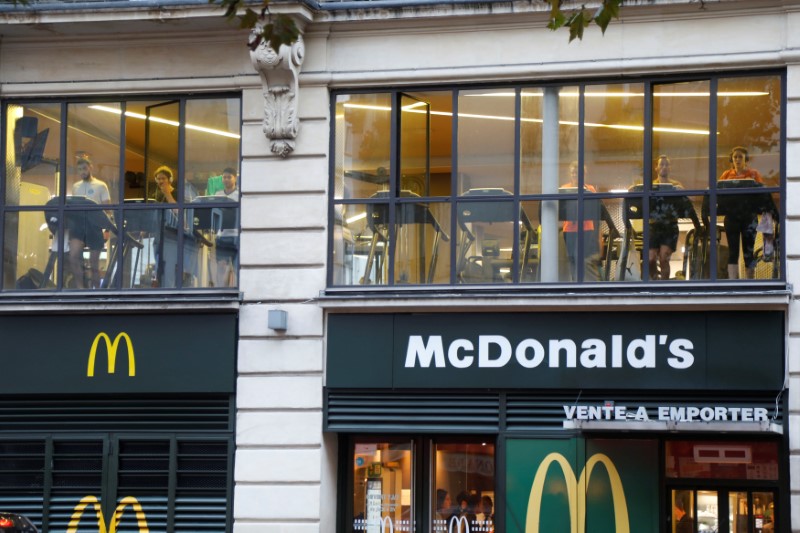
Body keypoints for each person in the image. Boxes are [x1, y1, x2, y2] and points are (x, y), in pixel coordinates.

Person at [718, 146, 764, 279]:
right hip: (732, 217)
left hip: (749, 217)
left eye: (740, 157)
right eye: (735, 157)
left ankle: (749, 281)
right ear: (732, 159)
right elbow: (719, 192)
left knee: (748, 251)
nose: (737, 159)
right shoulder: (726, 175)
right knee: (733, 251)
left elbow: (761, 193)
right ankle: (733, 281)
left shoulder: (754, 174)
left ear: (746, 159)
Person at [647, 155, 694, 280]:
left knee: (664, 257)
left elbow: (686, 201)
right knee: (650, 258)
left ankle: (664, 285)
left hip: (670, 226)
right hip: (654, 225)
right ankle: (654, 281)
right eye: (661, 164)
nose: (664, 167)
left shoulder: (676, 185)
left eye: (667, 164)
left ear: (670, 168)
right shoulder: (651, 186)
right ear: (656, 168)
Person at [68, 156, 110, 289]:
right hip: (79, 225)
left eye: (84, 168)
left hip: (94, 225)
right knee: (73, 256)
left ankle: (96, 291)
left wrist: (107, 230)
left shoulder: (101, 185)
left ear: (90, 167)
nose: (82, 172)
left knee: (94, 263)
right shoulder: (76, 187)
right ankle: (80, 288)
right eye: (79, 169)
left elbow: (107, 210)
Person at [561, 161, 602, 281]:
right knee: (572, 258)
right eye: (573, 173)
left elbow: (596, 209)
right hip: (569, 229)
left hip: (586, 229)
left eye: (578, 173)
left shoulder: (590, 189)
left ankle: (583, 281)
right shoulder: (565, 189)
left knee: (583, 257)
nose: (575, 175)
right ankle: (574, 280)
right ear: (570, 174)